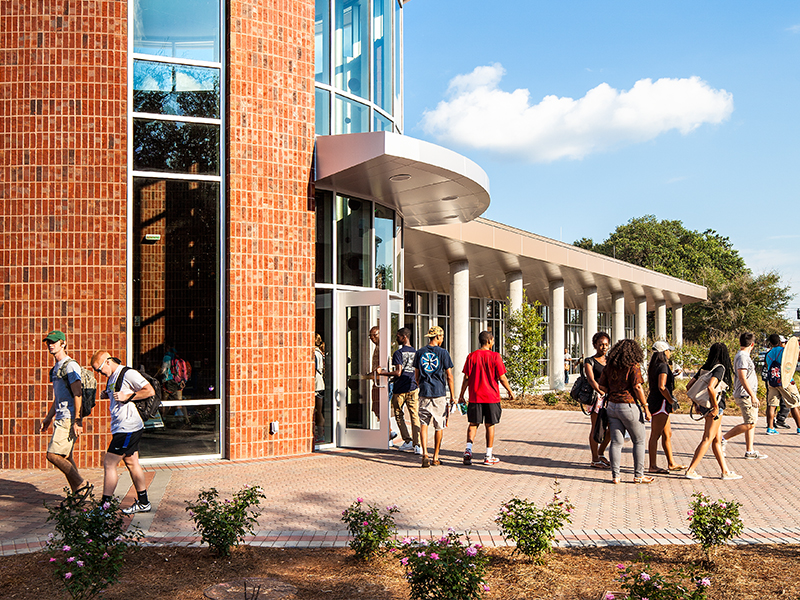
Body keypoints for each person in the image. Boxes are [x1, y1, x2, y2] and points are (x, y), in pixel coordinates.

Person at [91, 351, 154, 513]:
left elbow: (149, 390)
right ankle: (144, 502)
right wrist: (108, 395)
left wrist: (129, 396)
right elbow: (119, 396)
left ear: (108, 361)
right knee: (132, 463)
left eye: (99, 370)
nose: (100, 374)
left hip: (128, 427)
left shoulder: (128, 373)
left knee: (109, 463)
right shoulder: (112, 377)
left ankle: (104, 507)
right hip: (121, 427)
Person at [39, 330, 91, 495]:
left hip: (69, 417)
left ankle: (82, 484)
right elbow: (59, 397)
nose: (50, 345)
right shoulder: (56, 368)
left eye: (54, 342)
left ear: (63, 343)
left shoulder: (70, 366)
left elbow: (77, 394)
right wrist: (48, 417)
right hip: (61, 416)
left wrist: (77, 420)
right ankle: (79, 494)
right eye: (48, 342)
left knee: (53, 455)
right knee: (66, 456)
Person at [597, 338, 653, 484]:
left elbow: (602, 387)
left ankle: (616, 476)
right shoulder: (633, 366)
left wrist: (613, 390)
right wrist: (646, 406)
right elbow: (637, 387)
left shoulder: (609, 366)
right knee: (639, 440)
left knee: (616, 442)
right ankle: (638, 475)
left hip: (612, 406)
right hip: (629, 405)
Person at [684, 343, 741, 480]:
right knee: (708, 438)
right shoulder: (720, 368)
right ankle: (690, 470)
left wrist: (697, 403)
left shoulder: (705, 367)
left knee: (717, 440)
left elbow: (689, 385)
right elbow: (711, 387)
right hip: (714, 407)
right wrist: (715, 407)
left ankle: (725, 471)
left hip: (705, 406)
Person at [458, 330, 514, 466]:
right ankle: (488, 455)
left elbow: (466, 378)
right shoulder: (495, 357)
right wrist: (510, 391)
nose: (493, 343)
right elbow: (502, 377)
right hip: (491, 397)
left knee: (473, 424)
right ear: (489, 341)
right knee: (490, 425)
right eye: (493, 341)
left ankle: (468, 450)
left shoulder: (471, 356)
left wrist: (461, 395)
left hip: (475, 397)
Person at [413, 326, 455, 468]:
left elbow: (416, 375)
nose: (442, 339)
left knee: (423, 423)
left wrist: (421, 385)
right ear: (437, 337)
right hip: (438, 393)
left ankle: (424, 453)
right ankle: (435, 456)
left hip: (424, 391)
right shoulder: (443, 353)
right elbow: (449, 376)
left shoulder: (420, 352)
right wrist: (453, 396)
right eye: (442, 337)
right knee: (439, 426)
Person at [721, 332, 767, 459]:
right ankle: (723, 438)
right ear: (752, 344)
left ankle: (749, 450)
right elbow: (742, 377)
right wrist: (752, 395)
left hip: (748, 394)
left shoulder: (743, 356)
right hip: (745, 394)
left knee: (751, 422)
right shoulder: (742, 357)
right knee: (750, 423)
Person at [378, 328, 421, 453]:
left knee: (398, 414)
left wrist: (383, 373)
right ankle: (417, 444)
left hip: (400, 388)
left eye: (398, 336)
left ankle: (407, 440)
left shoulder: (398, 353)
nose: (397, 338)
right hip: (413, 387)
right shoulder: (416, 352)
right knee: (414, 416)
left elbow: (398, 372)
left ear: (404, 337)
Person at [646, 341, 685, 473]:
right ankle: (652, 465)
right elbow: (661, 386)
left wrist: (672, 375)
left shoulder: (655, 366)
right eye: (668, 350)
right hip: (661, 403)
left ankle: (671, 462)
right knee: (655, 434)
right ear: (664, 352)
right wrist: (671, 400)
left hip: (658, 401)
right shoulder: (663, 366)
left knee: (667, 434)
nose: (670, 353)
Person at [764, 333, 800, 435]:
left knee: (772, 405)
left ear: (770, 343)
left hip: (772, 381)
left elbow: (767, 367)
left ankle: (770, 428)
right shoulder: (784, 351)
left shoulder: (768, 354)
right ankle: (799, 427)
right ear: (780, 342)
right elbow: (792, 362)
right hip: (785, 380)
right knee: (794, 404)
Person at [584, 332, 611, 469]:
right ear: (595, 345)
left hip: (610, 398)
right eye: (601, 344)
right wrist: (602, 392)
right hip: (597, 398)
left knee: (612, 428)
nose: (604, 347)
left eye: (606, 344)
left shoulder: (610, 360)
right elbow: (591, 380)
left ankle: (601, 453)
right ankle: (594, 458)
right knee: (596, 428)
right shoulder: (589, 361)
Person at [314, 334, 325, 443]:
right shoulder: (320, 353)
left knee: (317, 411)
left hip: (316, 384)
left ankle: (320, 434)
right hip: (320, 383)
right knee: (319, 411)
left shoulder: (315, 354)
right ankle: (321, 434)